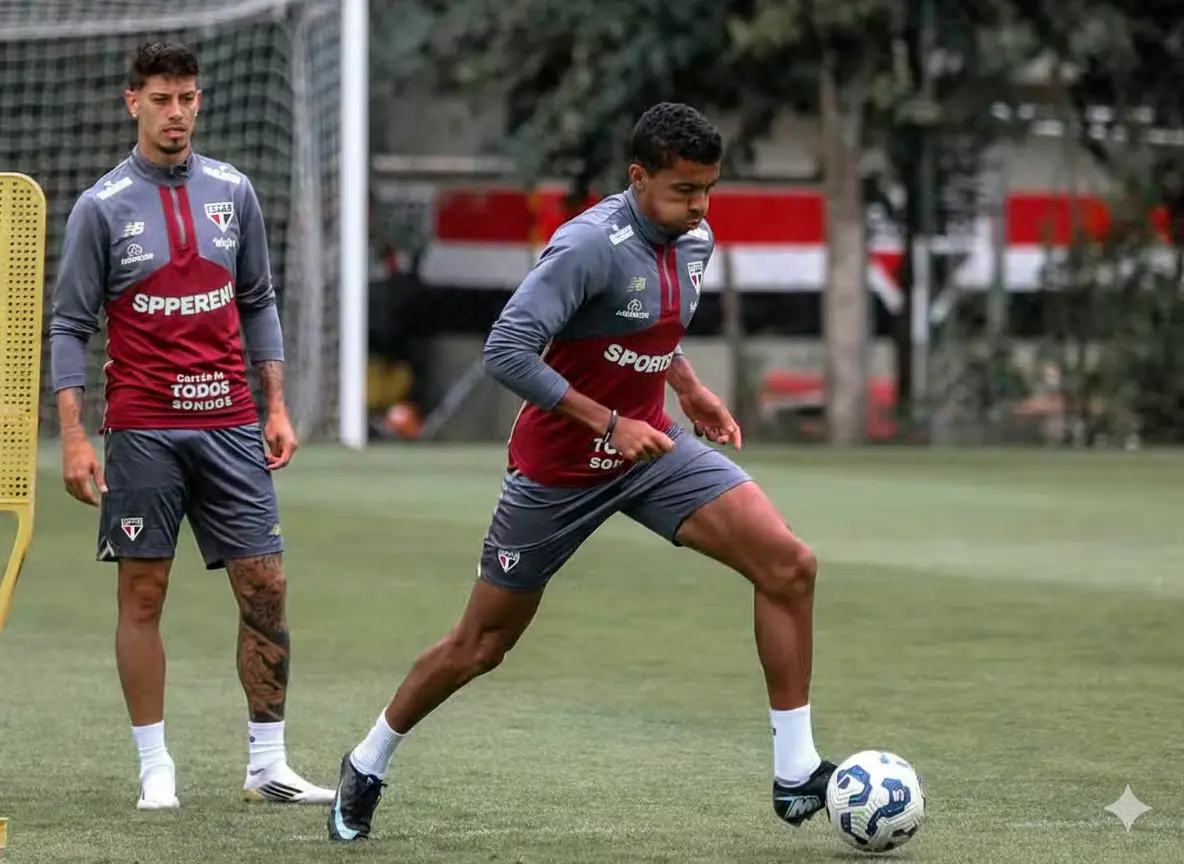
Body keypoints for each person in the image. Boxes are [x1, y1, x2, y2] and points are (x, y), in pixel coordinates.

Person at [327, 102, 835, 842]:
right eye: (684, 190)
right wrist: (608, 423)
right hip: (559, 469)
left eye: (708, 189)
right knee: (481, 646)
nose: (700, 206)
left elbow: (645, 324)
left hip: (651, 454)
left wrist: (689, 389)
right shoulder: (587, 245)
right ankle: (368, 760)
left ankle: (795, 772)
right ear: (639, 177)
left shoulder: (694, 240)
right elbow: (505, 350)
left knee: (789, 566)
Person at [48, 41, 333, 812]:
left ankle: (268, 764)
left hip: (232, 424)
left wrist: (276, 404)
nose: (176, 113)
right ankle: (155, 768)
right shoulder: (102, 206)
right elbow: (69, 326)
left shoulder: (232, 192)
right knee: (143, 594)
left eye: (187, 98)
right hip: (143, 427)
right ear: (132, 102)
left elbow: (258, 300)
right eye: (161, 99)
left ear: (199, 100)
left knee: (266, 586)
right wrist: (73, 435)